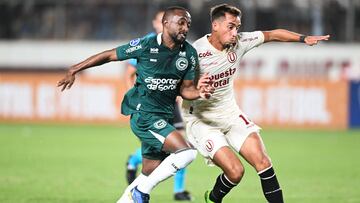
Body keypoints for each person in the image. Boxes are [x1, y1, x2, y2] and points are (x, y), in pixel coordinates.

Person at [57, 6, 214, 203]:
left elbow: (186, 89)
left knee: (150, 170)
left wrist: (199, 92)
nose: (185, 28)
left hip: (164, 116)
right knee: (187, 153)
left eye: (188, 24)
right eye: (181, 23)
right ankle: (142, 193)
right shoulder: (146, 45)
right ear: (166, 24)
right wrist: (75, 68)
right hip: (144, 116)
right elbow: (109, 55)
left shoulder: (189, 53)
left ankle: (128, 198)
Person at [181, 4, 330, 203]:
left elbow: (272, 34)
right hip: (202, 120)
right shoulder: (194, 52)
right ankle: (213, 198)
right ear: (215, 25)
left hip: (230, 113)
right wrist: (198, 90)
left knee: (263, 162)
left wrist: (303, 39)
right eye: (231, 26)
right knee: (235, 172)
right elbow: (182, 89)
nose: (235, 33)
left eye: (238, 27)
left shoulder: (241, 42)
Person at [124, 10, 193, 201]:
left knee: (177, 147)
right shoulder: (146, 43)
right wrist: (137, 98)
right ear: (160, 23)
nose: (182, 27)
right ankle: (134, 162)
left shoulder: (180, 46)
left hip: (171, 104)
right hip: (149, 108)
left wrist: (181, 91)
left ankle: (178, 190)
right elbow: (129, 73)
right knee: (177, 149)